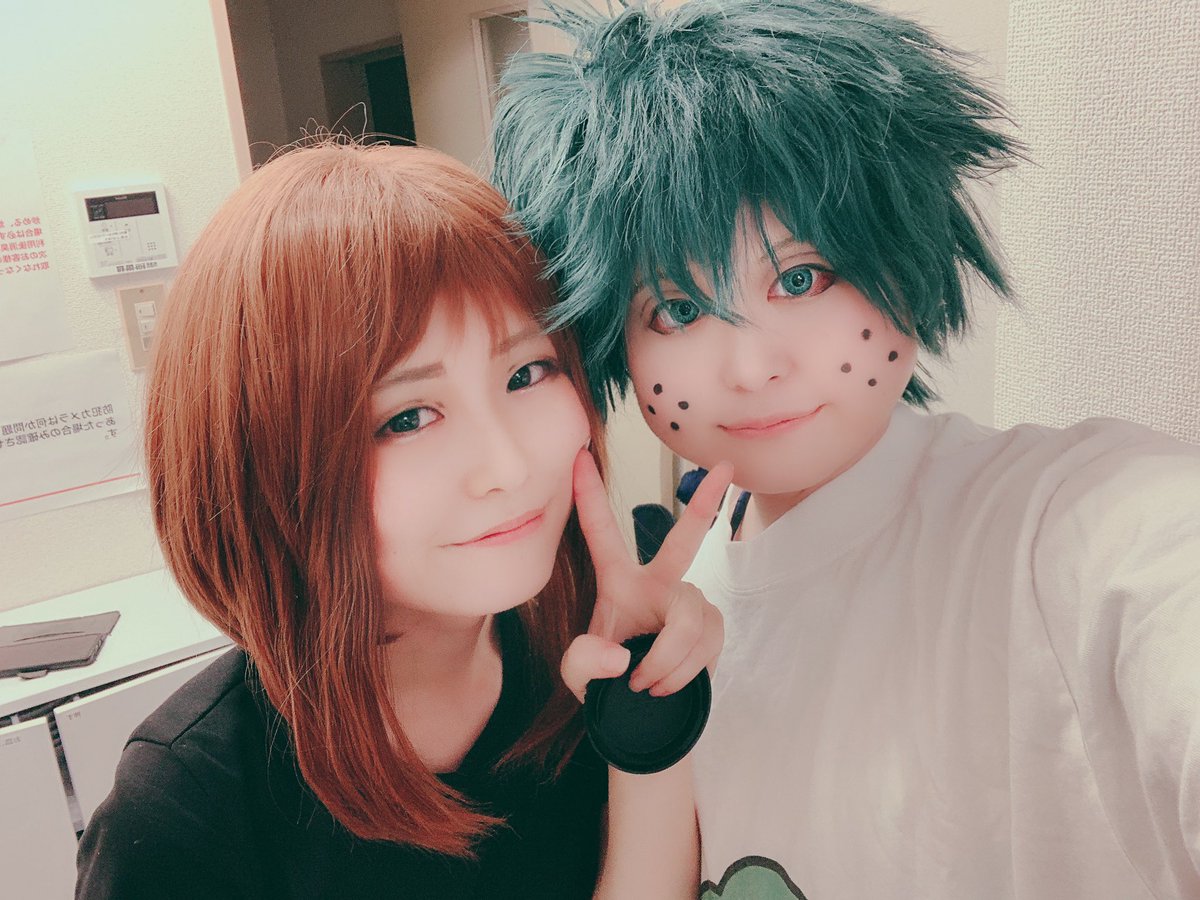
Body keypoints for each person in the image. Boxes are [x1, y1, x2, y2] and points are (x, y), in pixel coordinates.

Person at [491, 1, 1200, 897]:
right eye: (676, 309)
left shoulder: (1065, 526)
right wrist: (642, 735)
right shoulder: (679, 597)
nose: (750, 368)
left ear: (903, 258)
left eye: (800, 277)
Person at [76, 141, 730, 899]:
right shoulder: (187, 812)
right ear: (265, 472)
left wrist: (645, 714)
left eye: (526, 373)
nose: (507, 466)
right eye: (409, 418)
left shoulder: (585, 659)